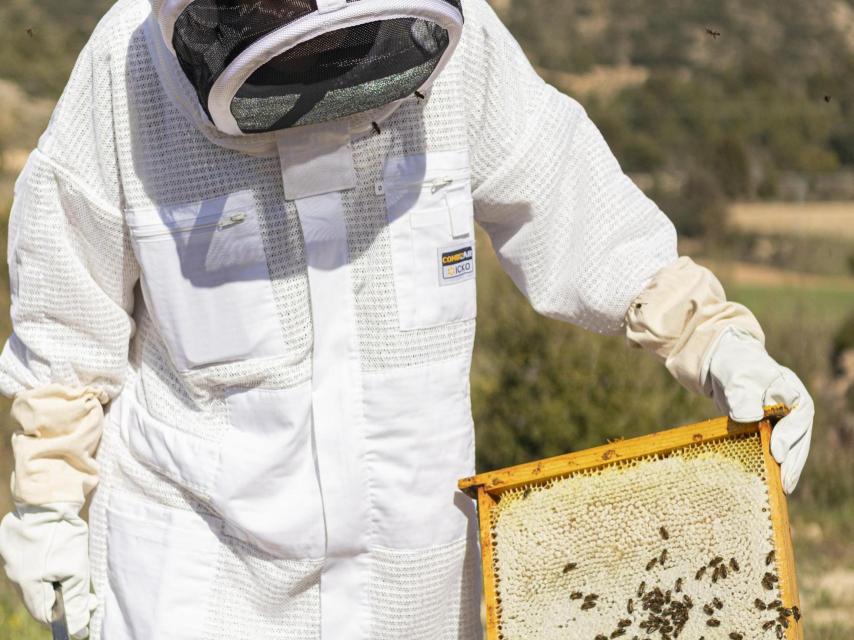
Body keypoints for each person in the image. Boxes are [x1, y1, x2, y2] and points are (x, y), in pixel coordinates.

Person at [0, 0, 814, 638]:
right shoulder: (124, 70)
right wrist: (46, 503)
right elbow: (68, 323)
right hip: (200, 594)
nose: (322, 72)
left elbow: (565, 196)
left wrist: (713, 337)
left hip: (415, 593)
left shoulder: (467, 55)